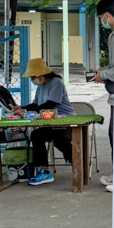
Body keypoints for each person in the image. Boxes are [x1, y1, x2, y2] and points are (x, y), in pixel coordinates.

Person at [13, 57, 75, 186]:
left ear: (41, 74)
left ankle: (77, 162)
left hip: (65, 123)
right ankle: (45, 170)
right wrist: (22, 107)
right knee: (38, 136)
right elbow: (36, 104)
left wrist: (26, 112)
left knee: (55, 139)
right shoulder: (41, 87)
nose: (32, 80)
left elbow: (50, 104)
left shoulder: (56, 83)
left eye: (32, 76)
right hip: (51, 124)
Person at [91, 0, 114, 192]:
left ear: (107, 15)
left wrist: (104, 74)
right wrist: (104, 69)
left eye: (102, 17)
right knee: (113, 134)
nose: (103, 21)